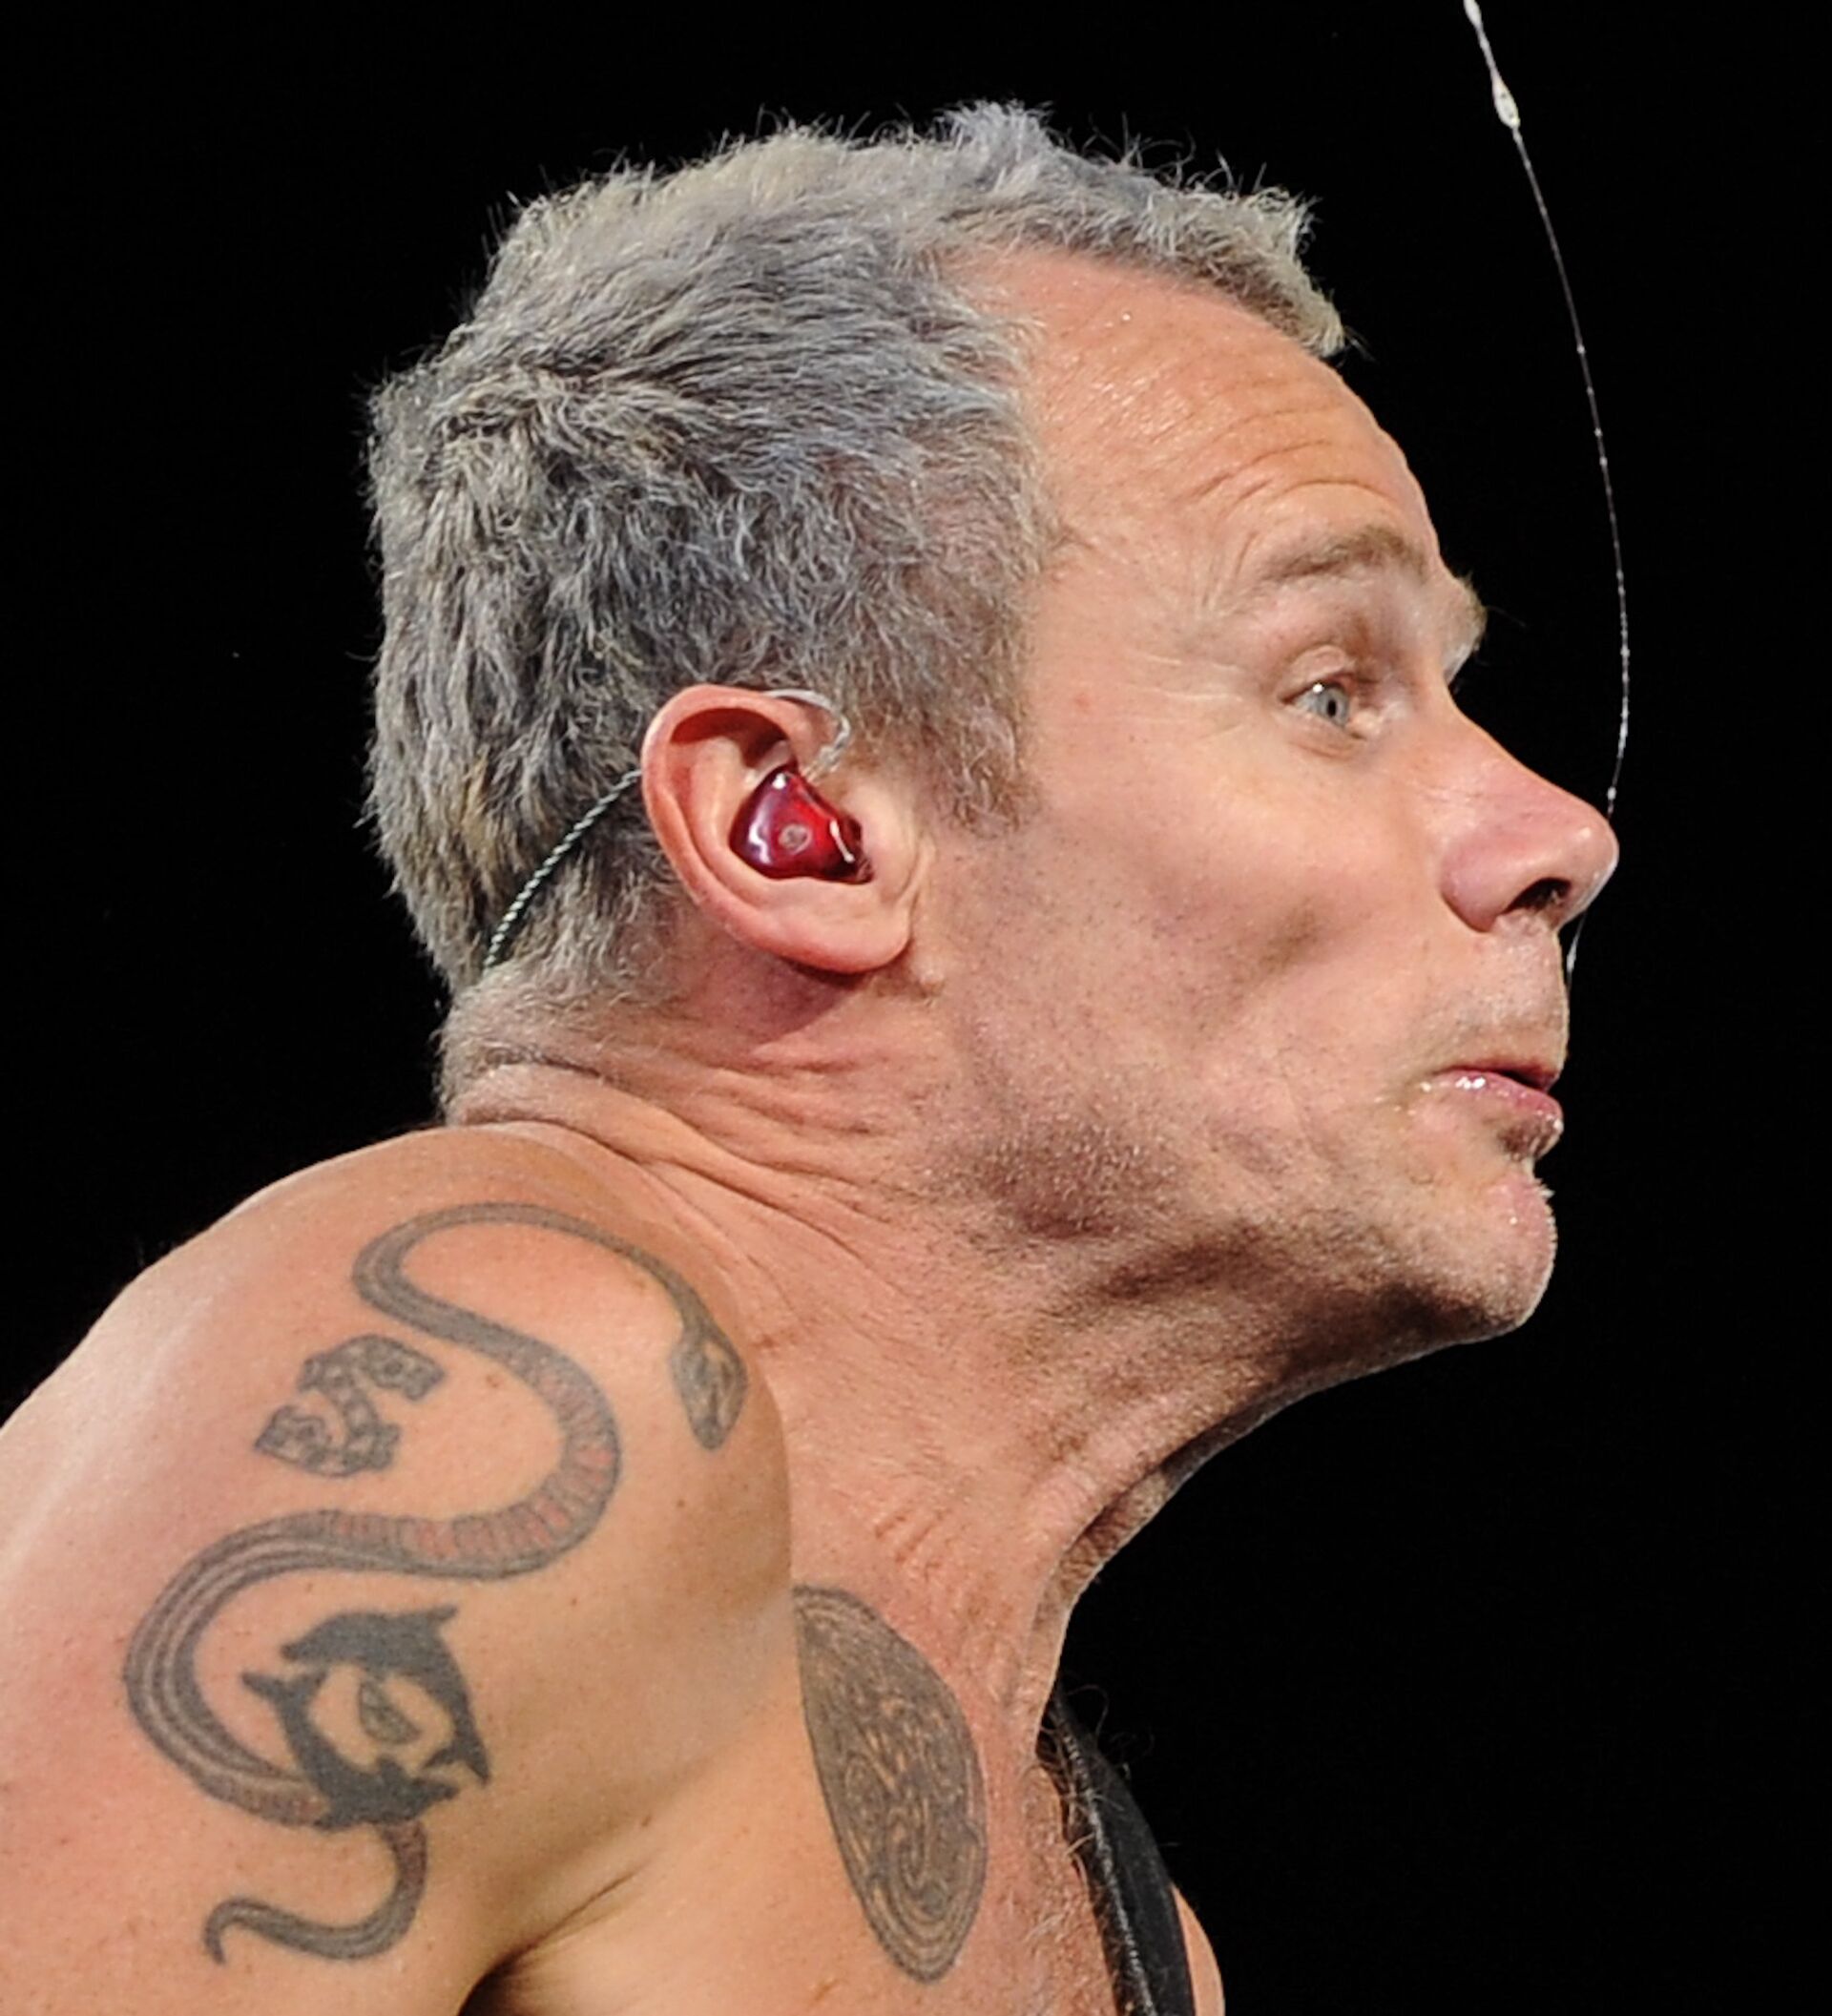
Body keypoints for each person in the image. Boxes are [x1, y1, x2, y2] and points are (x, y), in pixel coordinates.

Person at [0, 104, 1616, 2015]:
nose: (1558, 834)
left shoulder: (1143, 1934)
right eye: (1331, 690)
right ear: (805, 830)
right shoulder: (487, 1395)